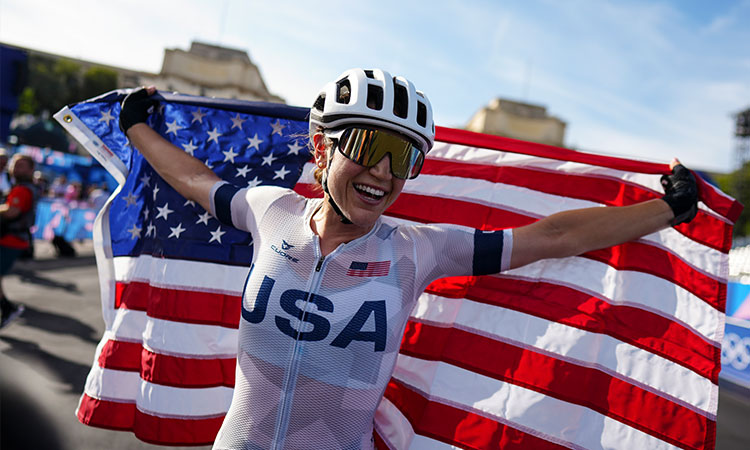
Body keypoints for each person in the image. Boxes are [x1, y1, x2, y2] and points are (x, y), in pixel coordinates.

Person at [119, 69, 697, 449]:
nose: (384, 173)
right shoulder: (270, 211)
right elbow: (195, 179)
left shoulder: (419, 248)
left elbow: (554, 236)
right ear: (323, 148)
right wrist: (137, 126)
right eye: (370, 148)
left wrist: (665, 210)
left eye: (404, 158)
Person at [0, 154, 38, 328]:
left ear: (31, 170)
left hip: (11, 239)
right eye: (15, 165)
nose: (17, 169)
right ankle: (7, 308)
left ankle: (8, 308)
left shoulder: (22, 189)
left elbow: (11, 212)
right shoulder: (21, 187)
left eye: (22, 166)